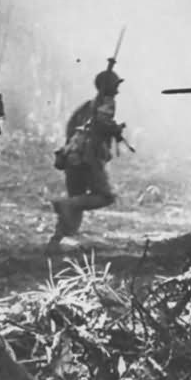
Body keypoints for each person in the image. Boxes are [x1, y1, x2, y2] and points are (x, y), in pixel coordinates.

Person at [48, 69, 125, 251]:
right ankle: (64, 206)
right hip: (89, 158)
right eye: (116, 86)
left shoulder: (86, 106)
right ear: (108, 87)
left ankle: (57, 241)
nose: (118, 90)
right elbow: (101, 125)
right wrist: (114, 130)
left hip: (73, 157)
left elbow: (71, 128)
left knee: (76, 200)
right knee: (104, 196)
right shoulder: (106, 103)